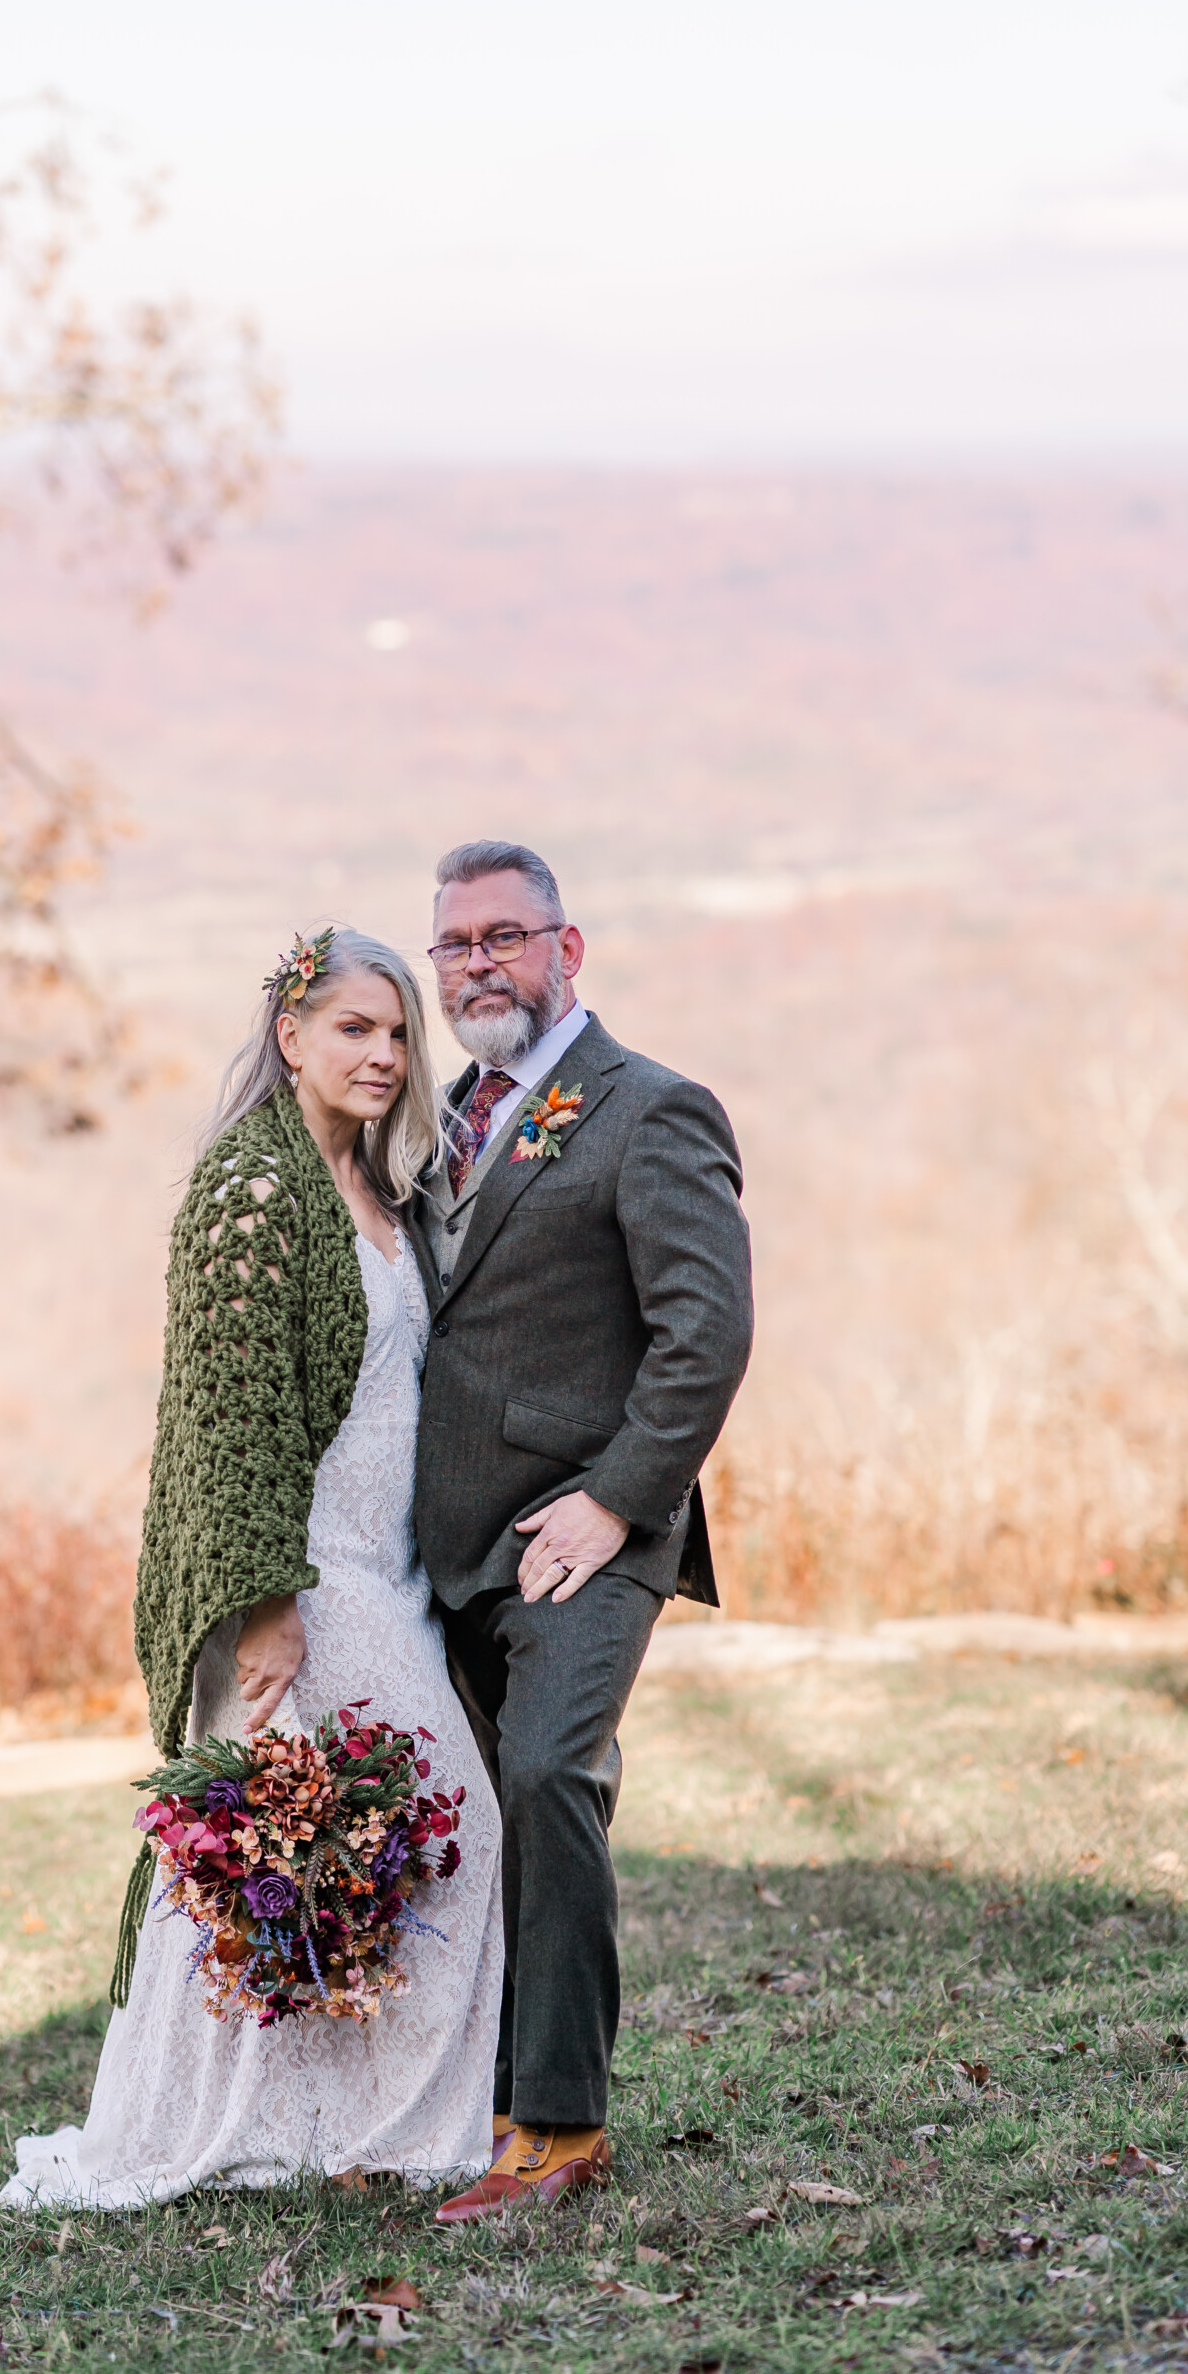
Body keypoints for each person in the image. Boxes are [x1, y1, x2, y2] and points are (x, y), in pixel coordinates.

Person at [1, 928, 503, 2210]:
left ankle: (355, 2122)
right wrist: (265, 1609)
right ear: (290, 1036)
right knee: (274, 1852)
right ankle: (216, 2128)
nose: (386, 1054)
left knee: (374, 1843)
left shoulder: (382, 1192)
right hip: (305, 1581)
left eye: (399, 1034)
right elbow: (233, 1427)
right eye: (355, 1029)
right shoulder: (252, 1193)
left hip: (387, 1576)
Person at [412, 840, 754, 2225]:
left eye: (504, 934)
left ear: (568, 948)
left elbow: (704, 1334)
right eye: (454, 943)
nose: (478, 962)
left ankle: (557, 2128)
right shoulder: (430, 1122)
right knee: (469, 1816)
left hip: (586, 1534)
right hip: (435, 1545)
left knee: (550, 1777)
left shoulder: (647, 1109)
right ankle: (457, 2103)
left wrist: (615, 1499)